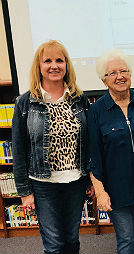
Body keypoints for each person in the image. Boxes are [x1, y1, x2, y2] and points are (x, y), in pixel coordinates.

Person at [12, 40, 94, 254]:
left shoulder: (79, 99)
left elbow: (89, 142)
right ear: (38, 67)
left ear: (67, 65)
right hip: (42, 184)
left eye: (60, 60)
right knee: (54, 244)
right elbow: (19, 150)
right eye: (47, 60)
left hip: (75, 181)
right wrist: (24, 192)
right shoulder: (25, 103)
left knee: (71, 239)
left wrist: (91, 179)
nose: (54, 65)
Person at [88, 50, 134, 254]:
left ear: (130, 74)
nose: (120, 76)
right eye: (112, 73)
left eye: (124, 71)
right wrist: (100, 193)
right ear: (104, 80)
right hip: (117, 190)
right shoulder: (96, 111)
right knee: (127, 241)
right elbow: (93, 156)